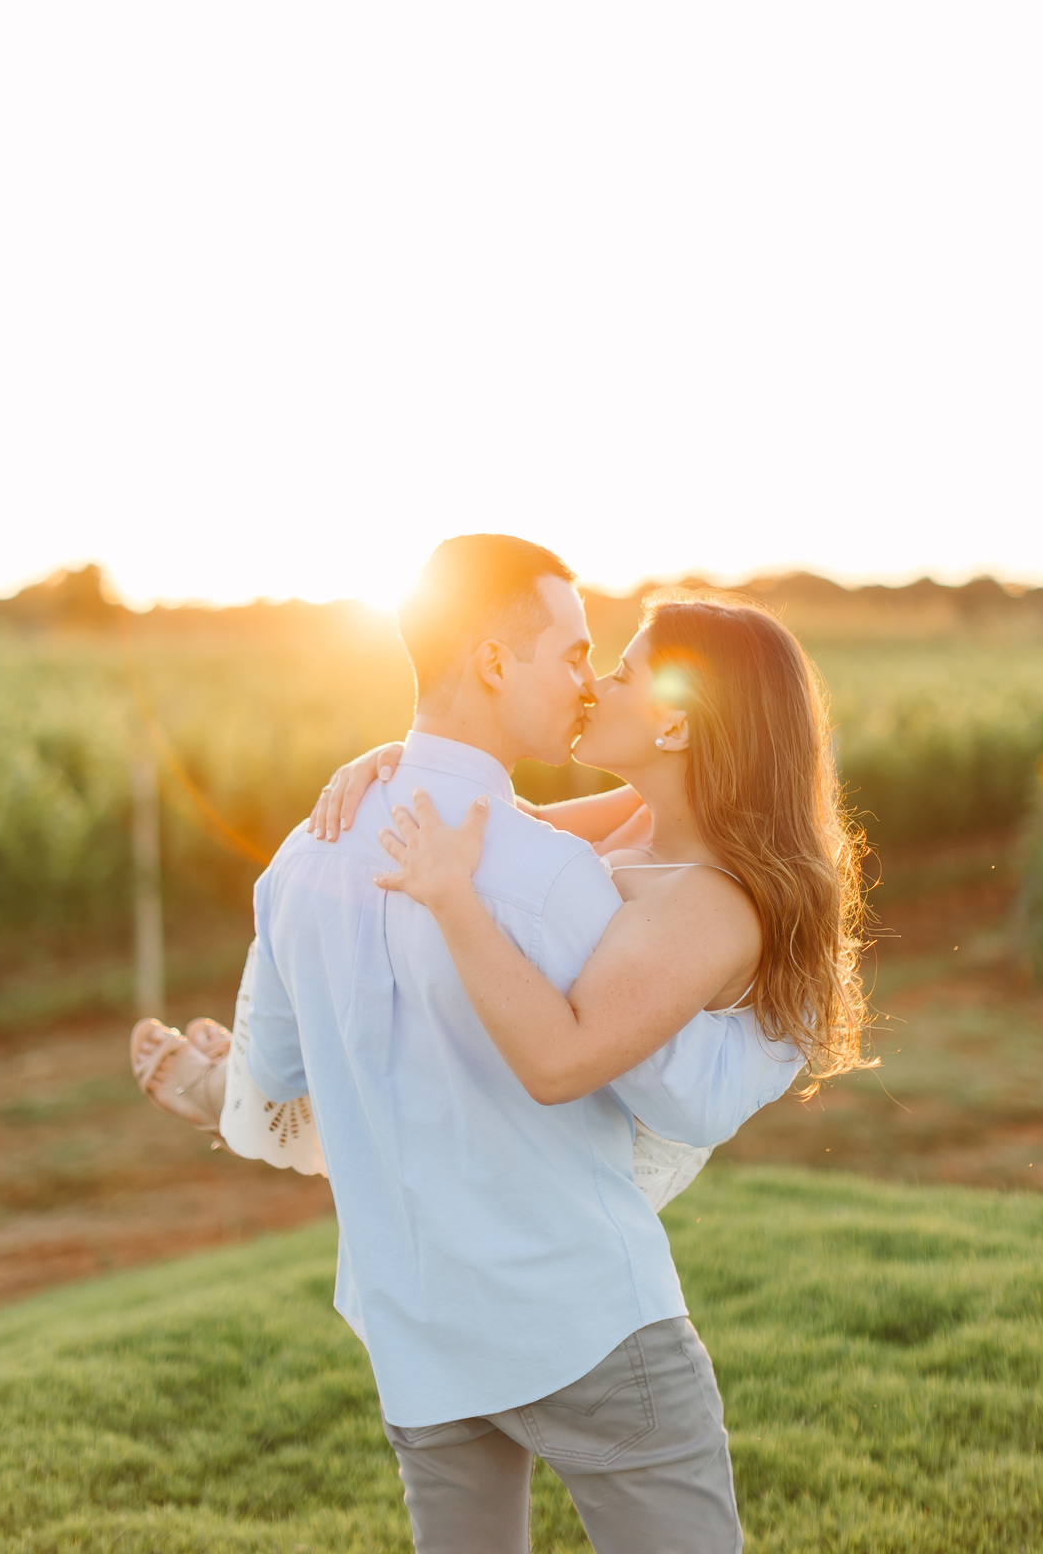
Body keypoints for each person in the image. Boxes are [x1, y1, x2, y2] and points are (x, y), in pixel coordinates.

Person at [131, 534, 867, 1554]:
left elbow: (568, 1050)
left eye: (612, 669)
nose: (590, 682)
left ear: (680, 721)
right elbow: (509, 828)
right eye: (581, 659)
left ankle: (231, 1092)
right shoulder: (601, 845)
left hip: (427, 1319)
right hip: (579, 1315)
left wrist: (440, 872)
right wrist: (395, 763)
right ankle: (231, 1093)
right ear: (492, 660)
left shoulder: (700, 900)